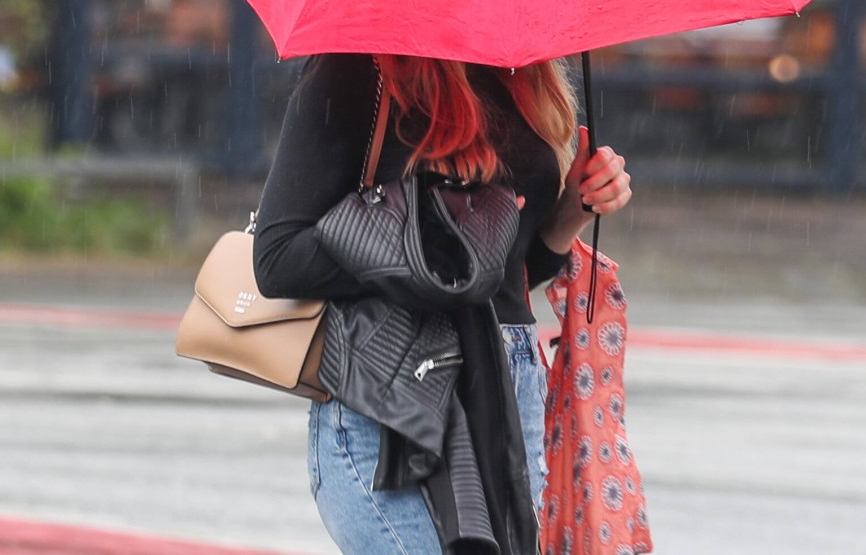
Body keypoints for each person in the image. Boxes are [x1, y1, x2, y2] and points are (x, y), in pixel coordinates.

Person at [254, 52, 631, 554]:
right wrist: (427, 233)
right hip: (391, 398)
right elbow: (278, 258)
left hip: (506, 393)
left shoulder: (520, 67)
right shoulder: (357, 66)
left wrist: (570, 210)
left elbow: (500, 275)